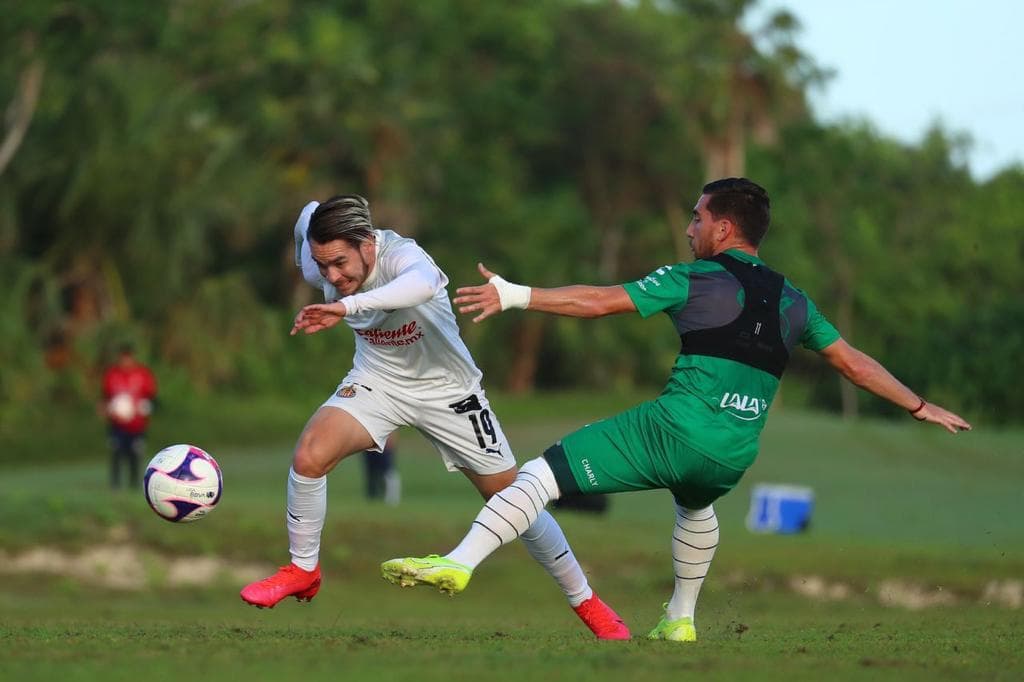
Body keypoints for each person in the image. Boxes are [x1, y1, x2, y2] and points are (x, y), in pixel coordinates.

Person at [381, 178, 972, 642]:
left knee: (539, 475)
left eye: (697, 216)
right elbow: (854, 362)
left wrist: (517, 294)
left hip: (674, 431)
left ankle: (459, 562)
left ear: (724, 226)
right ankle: (681, 620)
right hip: (734, 453)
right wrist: (919, 406)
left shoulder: (695, 277)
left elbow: (602, 302)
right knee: (696, 504)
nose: (690, 227)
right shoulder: (796, 299)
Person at [239, 195, 629, 640]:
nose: (331, 277)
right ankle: (302, 569)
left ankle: (588, 603)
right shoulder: (320, 259)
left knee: (513, 498)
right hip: (378, 380)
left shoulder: (406, 256)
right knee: (310, 455)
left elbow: (421, 286)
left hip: (449, 391)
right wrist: (313, 240)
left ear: (368, 244)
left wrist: (345, 308)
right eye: (321, 265)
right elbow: (308, 212)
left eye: (340, 263)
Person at [101, 343, 158, 489]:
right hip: (117, 425)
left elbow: (152, 398)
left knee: (135, 454)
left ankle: (134, 485)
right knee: (116, 453)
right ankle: (115, 485)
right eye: (122, 358)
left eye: (128, 358)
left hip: (137, 425)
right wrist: (106, 408)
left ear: (132, 358)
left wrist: (144, 408)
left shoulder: (143, 374)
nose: (125, 362)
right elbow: (105, 397)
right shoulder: (112, 374)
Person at [363, 434, 400, 505]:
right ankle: (372, 497)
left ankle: (392, 498)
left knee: (388, 472)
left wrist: (392, 442)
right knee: (371, 473)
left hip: (385, 446)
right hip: (370, 445)